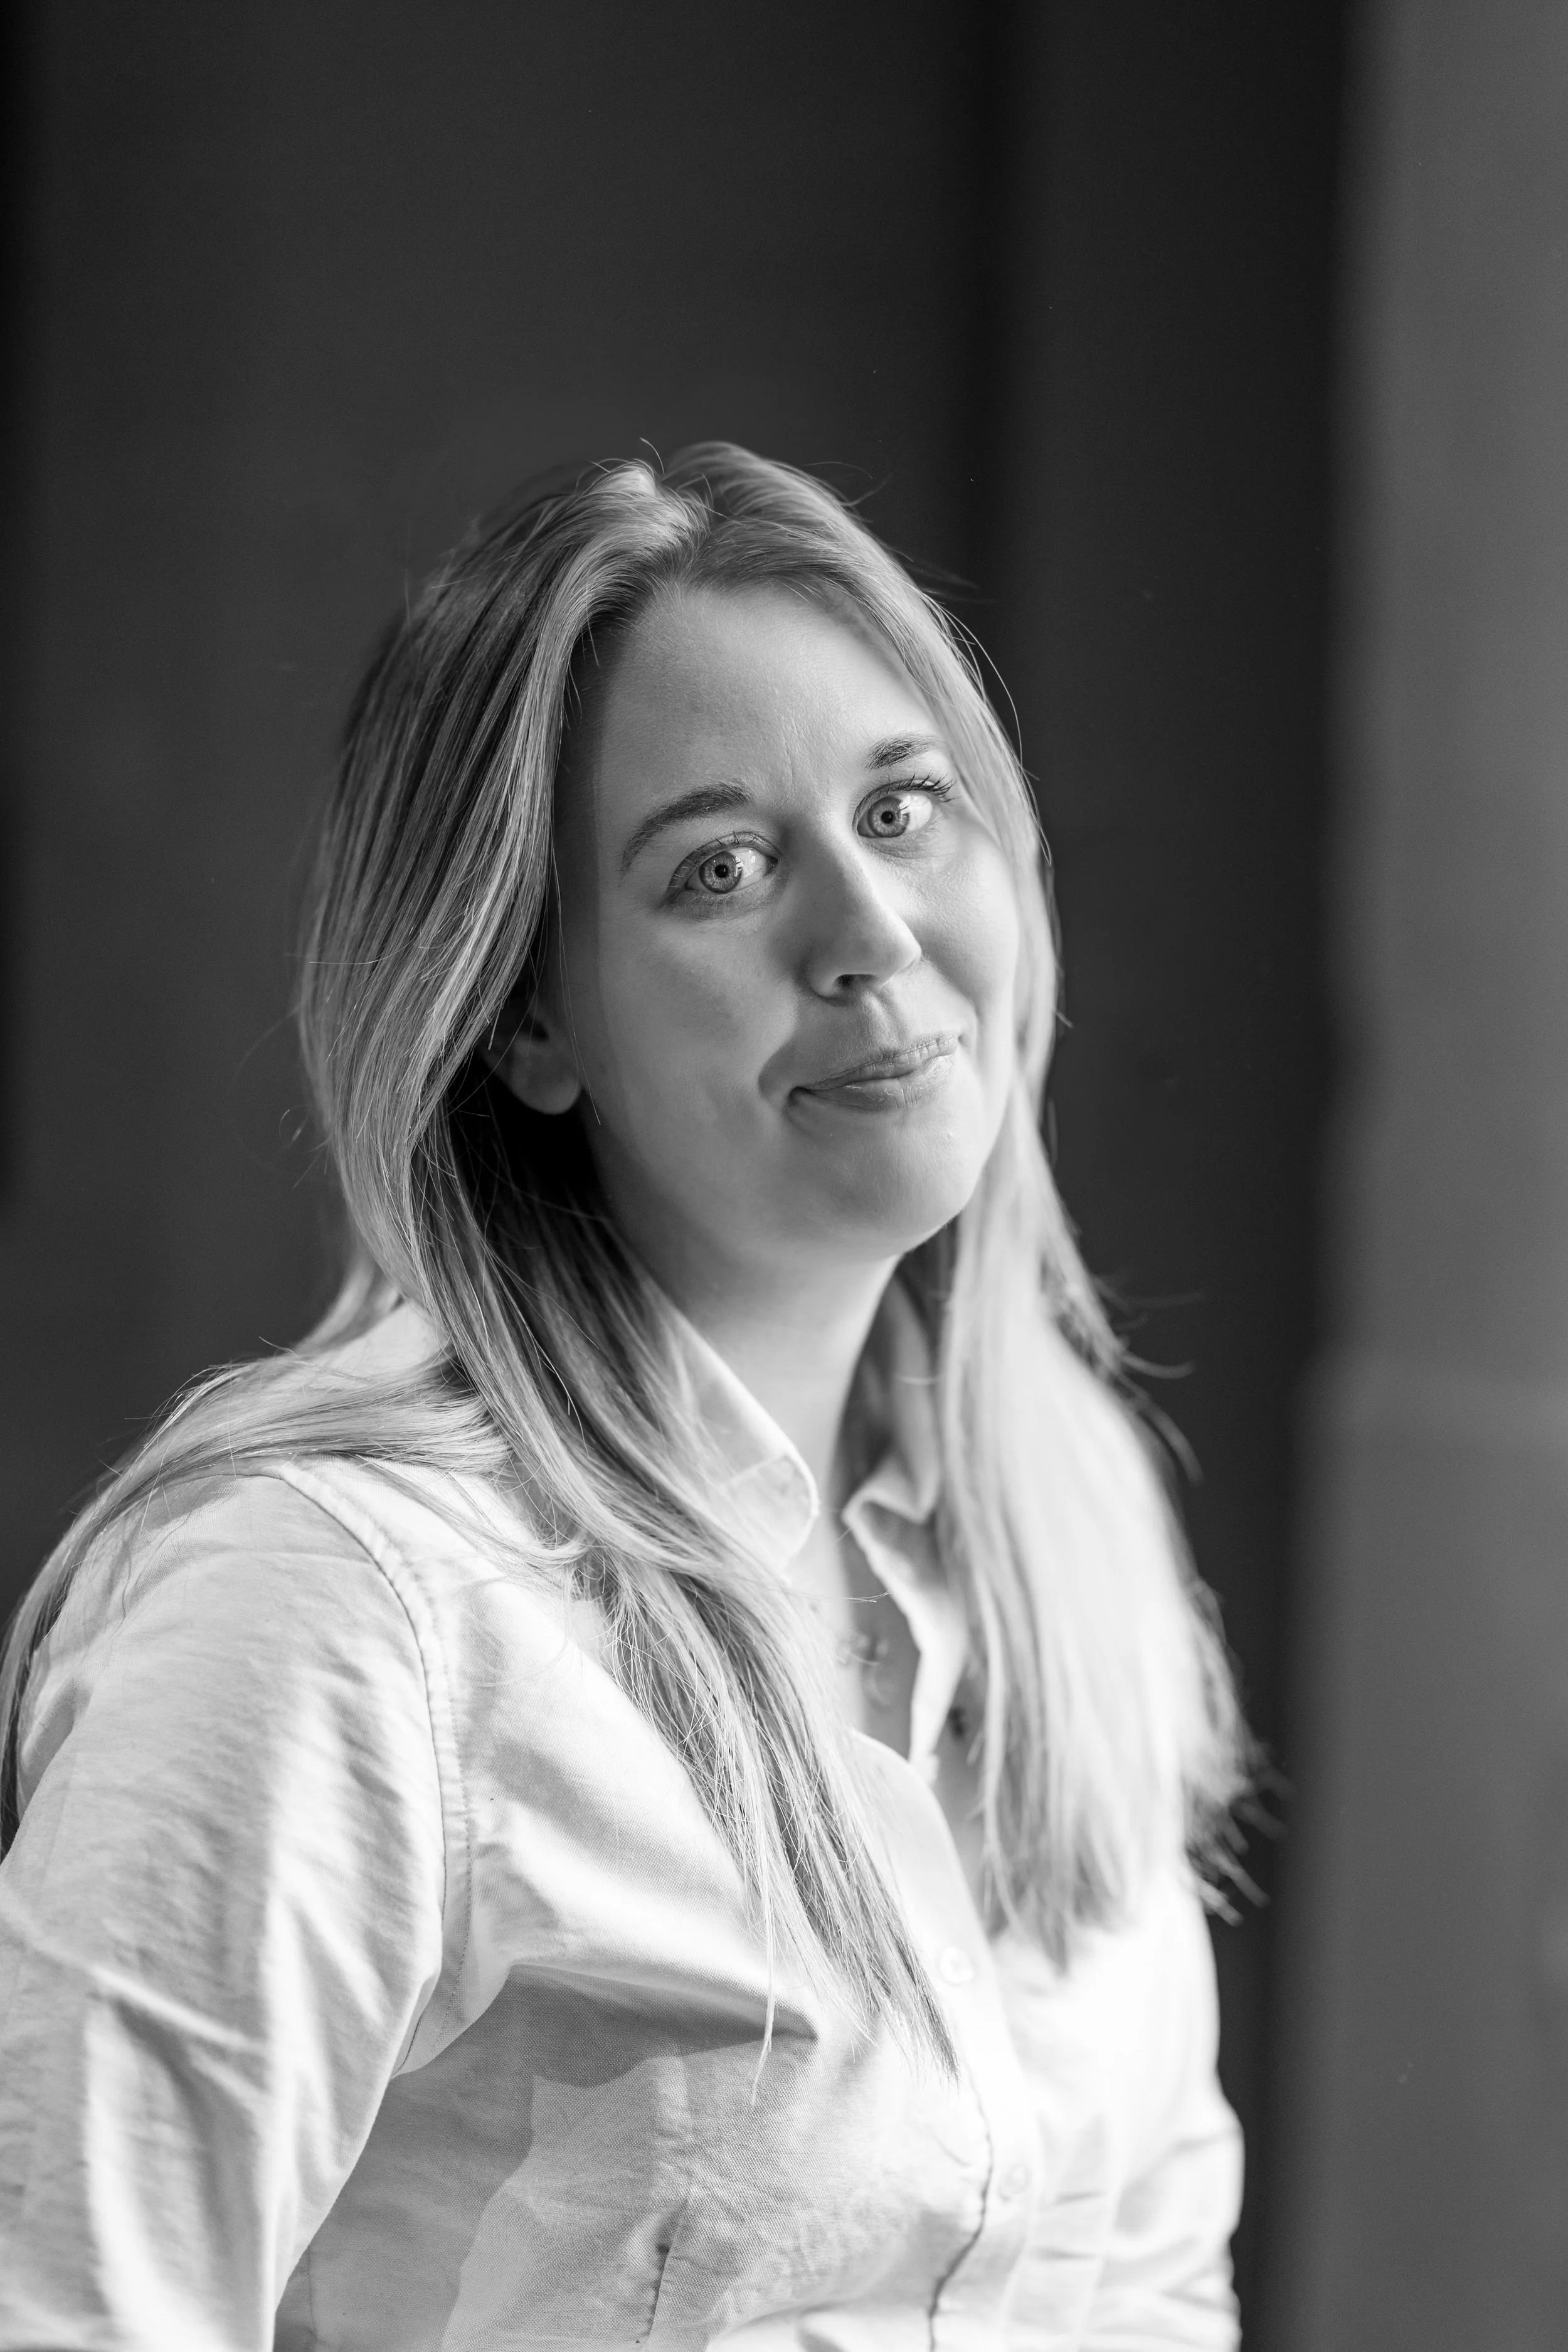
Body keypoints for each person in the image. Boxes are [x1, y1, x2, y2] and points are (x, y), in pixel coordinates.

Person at [0, 445, 1248, 2350]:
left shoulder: (1063, 1521)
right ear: (527, 1018)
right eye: (718, 869)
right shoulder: (338, 1605)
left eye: (904, 809)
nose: (869, 933)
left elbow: (1145, 2287)